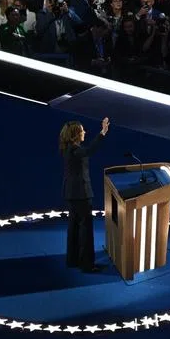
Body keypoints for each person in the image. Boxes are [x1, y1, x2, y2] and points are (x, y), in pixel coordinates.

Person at [59, 117, 110, 272]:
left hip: (72, 193)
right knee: (85, 230)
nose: (85, 132)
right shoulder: (75, 150)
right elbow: (90, 150)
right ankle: (87, 265)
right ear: (76, 134)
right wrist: (102, 133)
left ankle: (73, 260)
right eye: (82, 130)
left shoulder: (69, 148)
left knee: (74, 227)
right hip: (81, 194)